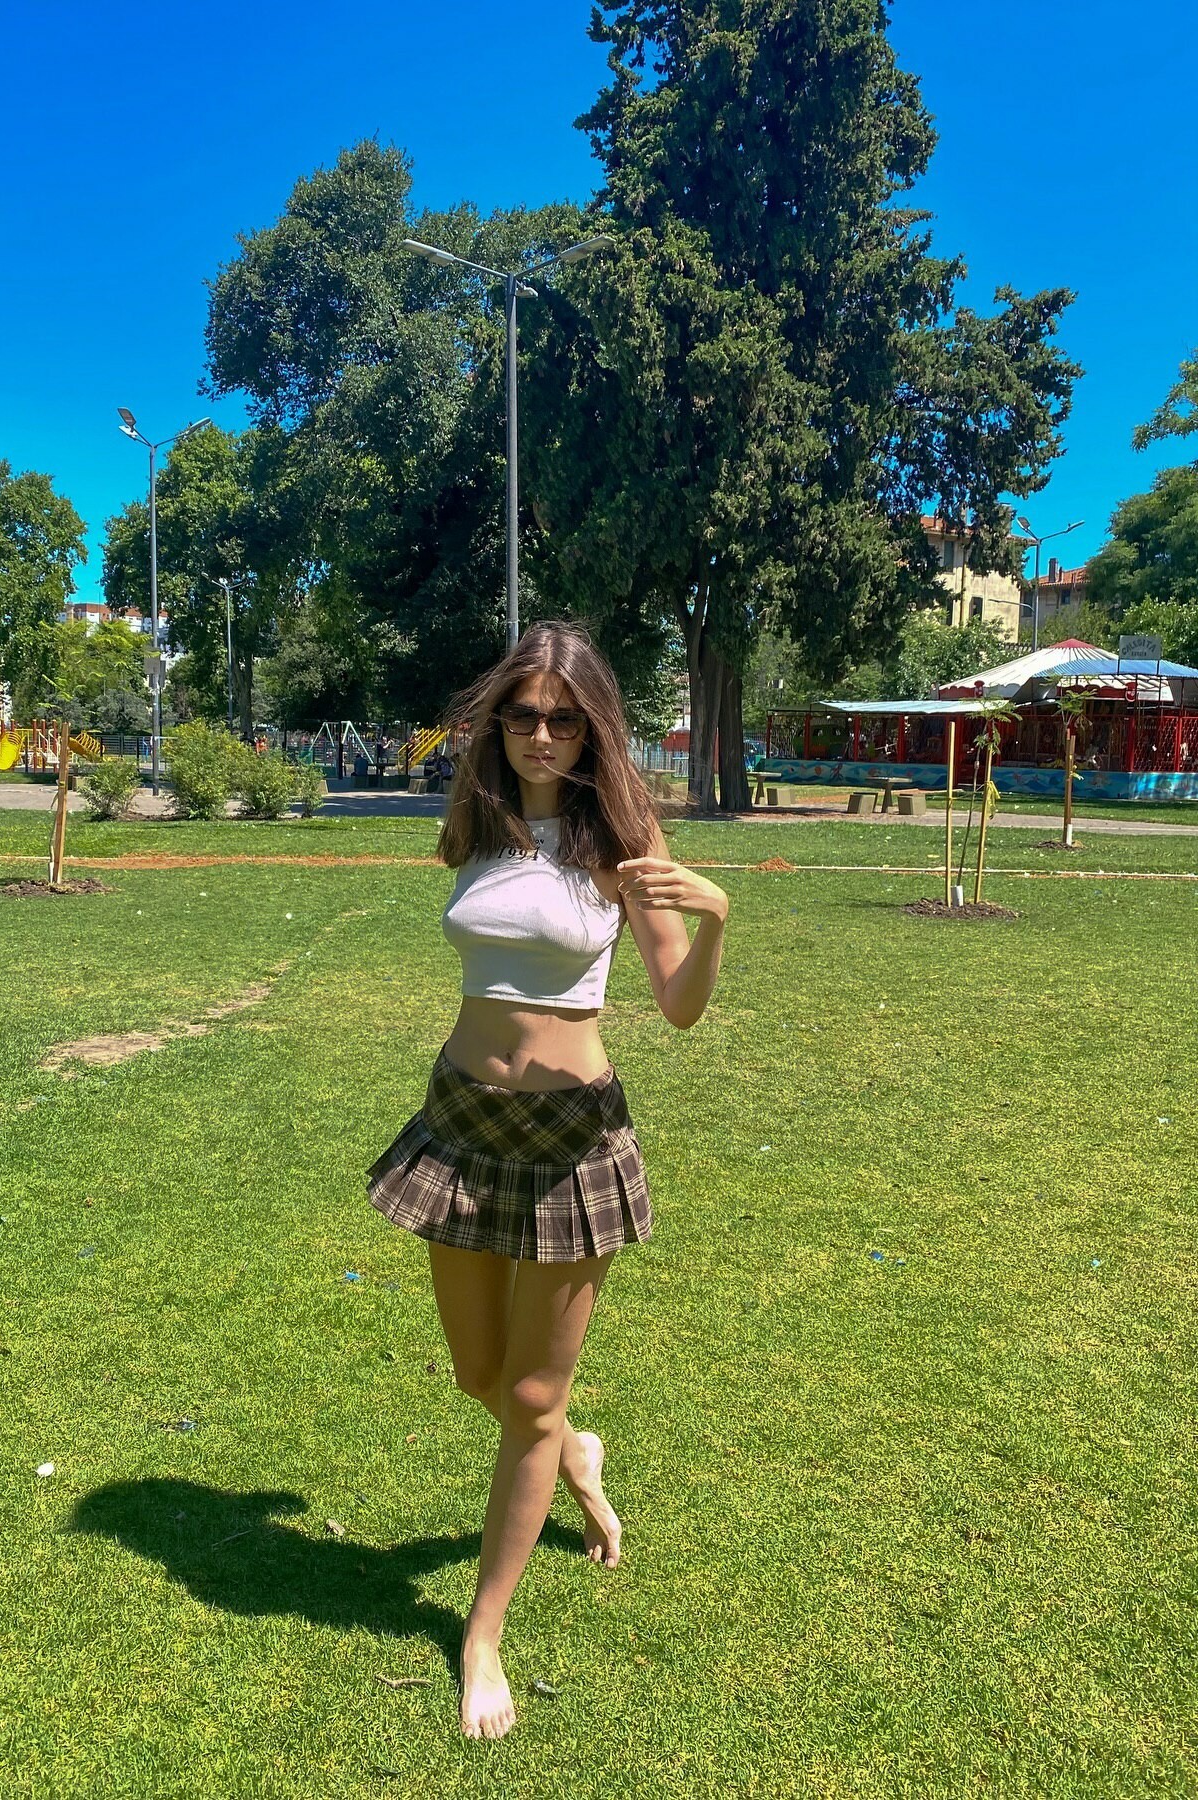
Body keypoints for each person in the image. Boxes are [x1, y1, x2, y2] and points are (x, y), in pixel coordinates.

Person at [365, 621, 729, 1740]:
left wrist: (713, 918)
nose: (540, 735)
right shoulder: (475, 823)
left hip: (572, 1135)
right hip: (464, 1120)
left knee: (526, 1393)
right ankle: (574, 1451)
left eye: (563, 719)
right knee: (480, 1372)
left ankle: (482, 1635)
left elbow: (678, 1005)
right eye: (522, 715)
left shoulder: (620, 841)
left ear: (592, 728)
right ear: (497, 724)